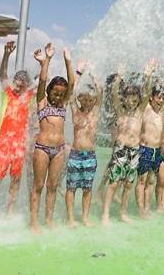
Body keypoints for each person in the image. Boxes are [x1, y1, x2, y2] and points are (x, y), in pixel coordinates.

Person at [101, 60, 156, 225]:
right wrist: (119, 77)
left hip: (135, 151)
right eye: (128, 98)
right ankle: (105, 214)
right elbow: (114, 92)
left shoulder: (140, 113)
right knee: (114, 182)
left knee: (128, 184)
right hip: (121, 149)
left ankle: (123, 213)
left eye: (134, 98)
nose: (131, 101)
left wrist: (148, 76)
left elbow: (147, 94)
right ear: (123, 99)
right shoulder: (120, 111)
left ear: (138, 100)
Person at [0, 41, 35, 219]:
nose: (19, 83)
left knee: (16, 179)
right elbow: (2, 74)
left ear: (27, 84)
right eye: (17, 80)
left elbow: (42, 85)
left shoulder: (29, 97)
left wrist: (44, 63)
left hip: (20, 144)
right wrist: (6, 55)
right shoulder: (7, 93)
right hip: (4, 142)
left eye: (23, 81)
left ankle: (9, 211)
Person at [29, 43, 75, 233]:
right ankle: (34, 222)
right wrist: (46, 60)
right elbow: (42, 81)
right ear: (49, 91)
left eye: (61, 93)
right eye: (55, 92)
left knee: (53, 186)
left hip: (59, 151)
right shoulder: (42, 102)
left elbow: (72, 84)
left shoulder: (63, 105)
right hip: (42, 149)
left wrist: (68, 61)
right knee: (39, 185)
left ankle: (48, 219)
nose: (58, 96)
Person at [136, 63, 164, 218]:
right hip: (145, 149)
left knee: (150, 182)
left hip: (157, 151)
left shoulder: (162, 113)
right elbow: (146, 91)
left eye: (162, 98)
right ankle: (141, 209)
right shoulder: (146, 109)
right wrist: (148, 76)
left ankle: (147, 208)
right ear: (151, 98)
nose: (161, 100)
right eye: (158, 97)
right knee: (142, 181)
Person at [65, 64, 102, 227]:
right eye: (84, 98)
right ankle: (71, 218)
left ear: (93, 99)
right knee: (71, 188)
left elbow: (101, 90)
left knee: (87, 189)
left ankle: (85, 218)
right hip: (75, 154)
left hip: (90, 156)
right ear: (80, 99)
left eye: (89, 98)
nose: (86, 101)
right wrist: (79, 73)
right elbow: (71, 93)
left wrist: (93, 74)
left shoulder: (96, 112)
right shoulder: (75, 111)